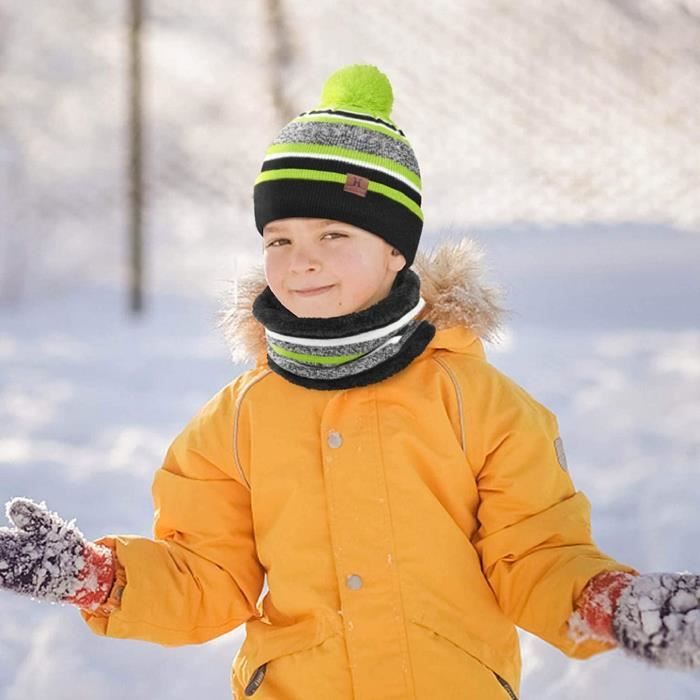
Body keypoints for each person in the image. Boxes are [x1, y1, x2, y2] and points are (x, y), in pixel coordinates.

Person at [1, 64, 699, 700]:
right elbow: (207, 575)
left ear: (396, 250)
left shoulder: (480, 407)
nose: (301, 260)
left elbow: (537, 557)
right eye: (279, 239)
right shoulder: (239, 421)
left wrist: (615, 601)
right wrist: (96, 576)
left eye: (334, 234)